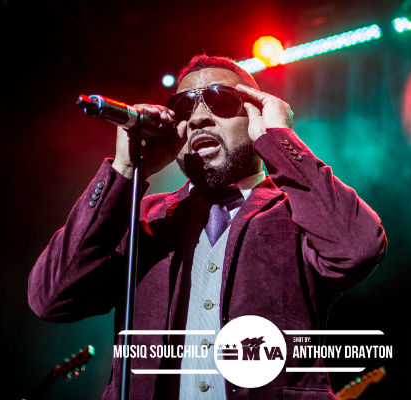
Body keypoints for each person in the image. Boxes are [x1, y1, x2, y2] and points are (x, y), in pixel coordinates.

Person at [28, 54, 387, 400]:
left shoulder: (298, 210)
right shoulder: (146, 218)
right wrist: (124, 171)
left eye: (221, 100)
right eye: (184, 108)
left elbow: (358, 248)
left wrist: (279, 139)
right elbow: (52, 297)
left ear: (256, 114)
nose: (199, 118)